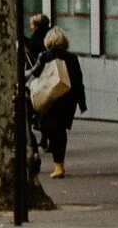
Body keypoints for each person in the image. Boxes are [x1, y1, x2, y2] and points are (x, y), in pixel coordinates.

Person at [32, 26, 86, 178]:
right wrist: (82, 102)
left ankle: (58, 165)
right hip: (67, 99)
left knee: (49, 129)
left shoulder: (45, 56)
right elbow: (78, 81)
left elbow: (36, 74)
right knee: (60, 131)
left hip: (49, 98)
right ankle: (59, 165)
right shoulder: (72, 58)